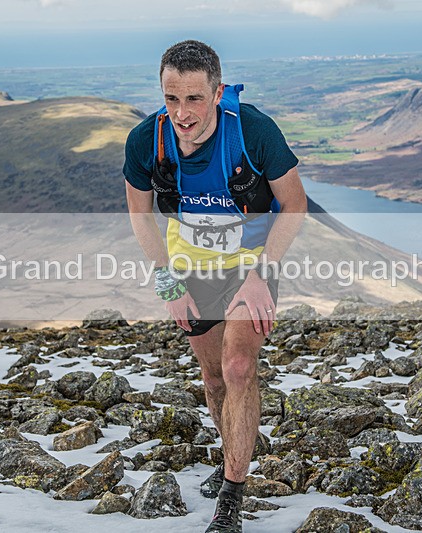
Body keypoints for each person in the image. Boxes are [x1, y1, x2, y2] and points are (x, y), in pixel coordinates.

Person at [123, 40, 306, 533]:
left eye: (195, 99)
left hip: (250, 265)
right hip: (188, 270)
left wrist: (263, 275)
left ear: (218, 92)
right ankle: (232, 455)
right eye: (172, 98)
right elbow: (140, 216)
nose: (182, 113)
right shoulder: (147, 141)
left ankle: (232, 494)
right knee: (214, 379)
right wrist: (169, 284)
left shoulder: (253, 131)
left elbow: (295, 204)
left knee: (240, 364)